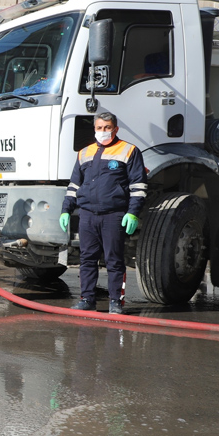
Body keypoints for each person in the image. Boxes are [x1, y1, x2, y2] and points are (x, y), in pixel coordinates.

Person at [60, 112, 147, 315]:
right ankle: (86, 299)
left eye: (107, 127)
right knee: (87, 259)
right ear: (94, 129)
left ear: (115, 129)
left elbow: (138, 185)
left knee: (114, 260)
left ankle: (116, 302)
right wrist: (66, 210)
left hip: (113, 215)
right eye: (99, 128)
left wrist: (133, 213)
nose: (103, 131)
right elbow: (74, 185)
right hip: (87, 215)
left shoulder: (129, 151)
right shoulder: (84, 153)